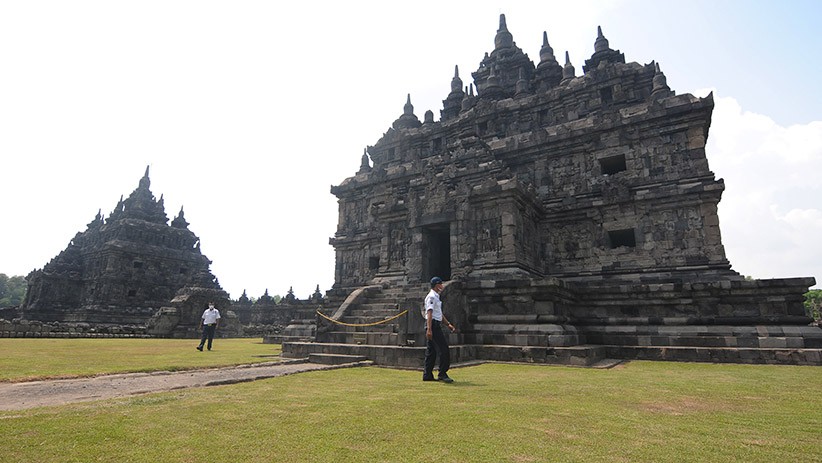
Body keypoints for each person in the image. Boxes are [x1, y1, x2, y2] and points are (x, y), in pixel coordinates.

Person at [422, 276, 457, 383]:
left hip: (434, 324)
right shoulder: (432, 297)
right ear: (437, 285)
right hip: (433, 325)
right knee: (444, 349)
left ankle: (427, 374)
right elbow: (430, 313)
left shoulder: (436, 297)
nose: (442, 286)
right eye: (440, 284)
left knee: (431, 351)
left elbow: (439, 314)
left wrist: (448, 324)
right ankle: (442, 373)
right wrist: (429, 329)